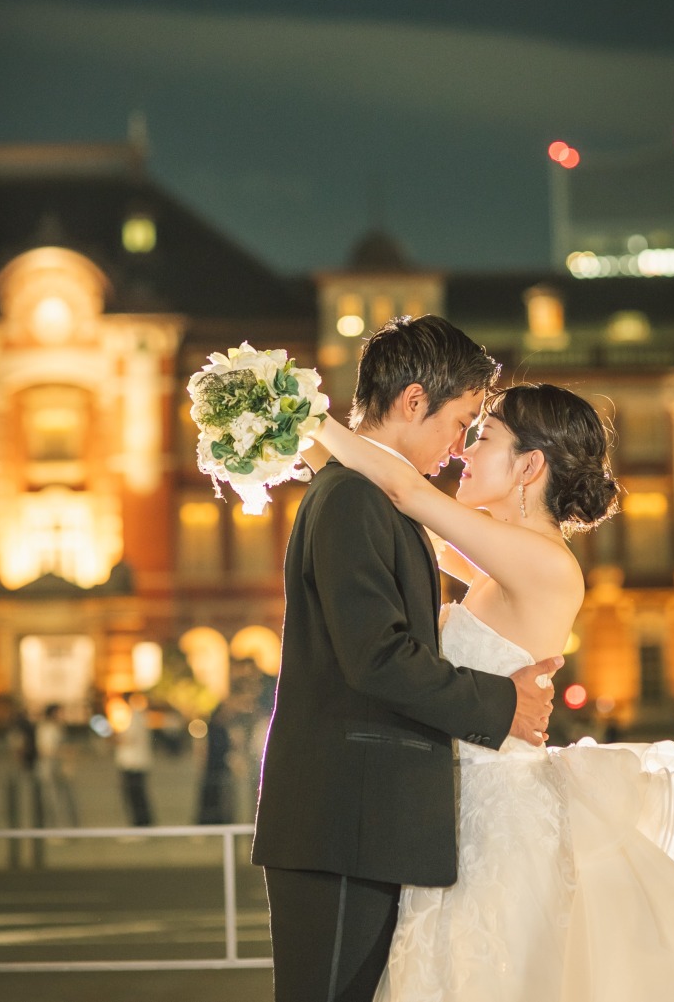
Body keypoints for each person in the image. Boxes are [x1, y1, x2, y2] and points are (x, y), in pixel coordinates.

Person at [311, 382, 674, 1000]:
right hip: (461, 813)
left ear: (529, 466)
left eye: (485, 436)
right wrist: (300, 451)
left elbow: (407, 493)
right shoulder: (505, 561)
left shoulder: (548, 565)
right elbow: (392, 517)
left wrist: (304, 412)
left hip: (500, 826)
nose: (464, 452)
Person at [251, 316, 562, 1002]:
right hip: (343, 821)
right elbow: (378, 657)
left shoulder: (371, 497)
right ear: (414, 400)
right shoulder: (353, 498)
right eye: (459, 422)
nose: (458, 448)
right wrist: (503, 702)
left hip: (364, 819)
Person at [114, 692, 155, 827]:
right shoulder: (137, 716)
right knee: (138, 795)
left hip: (133, 763)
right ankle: (143, 824)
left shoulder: (134, 717)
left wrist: (115, 738)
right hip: (135, 762)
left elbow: (130, 739)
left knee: (135, 796)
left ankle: (140, 825)